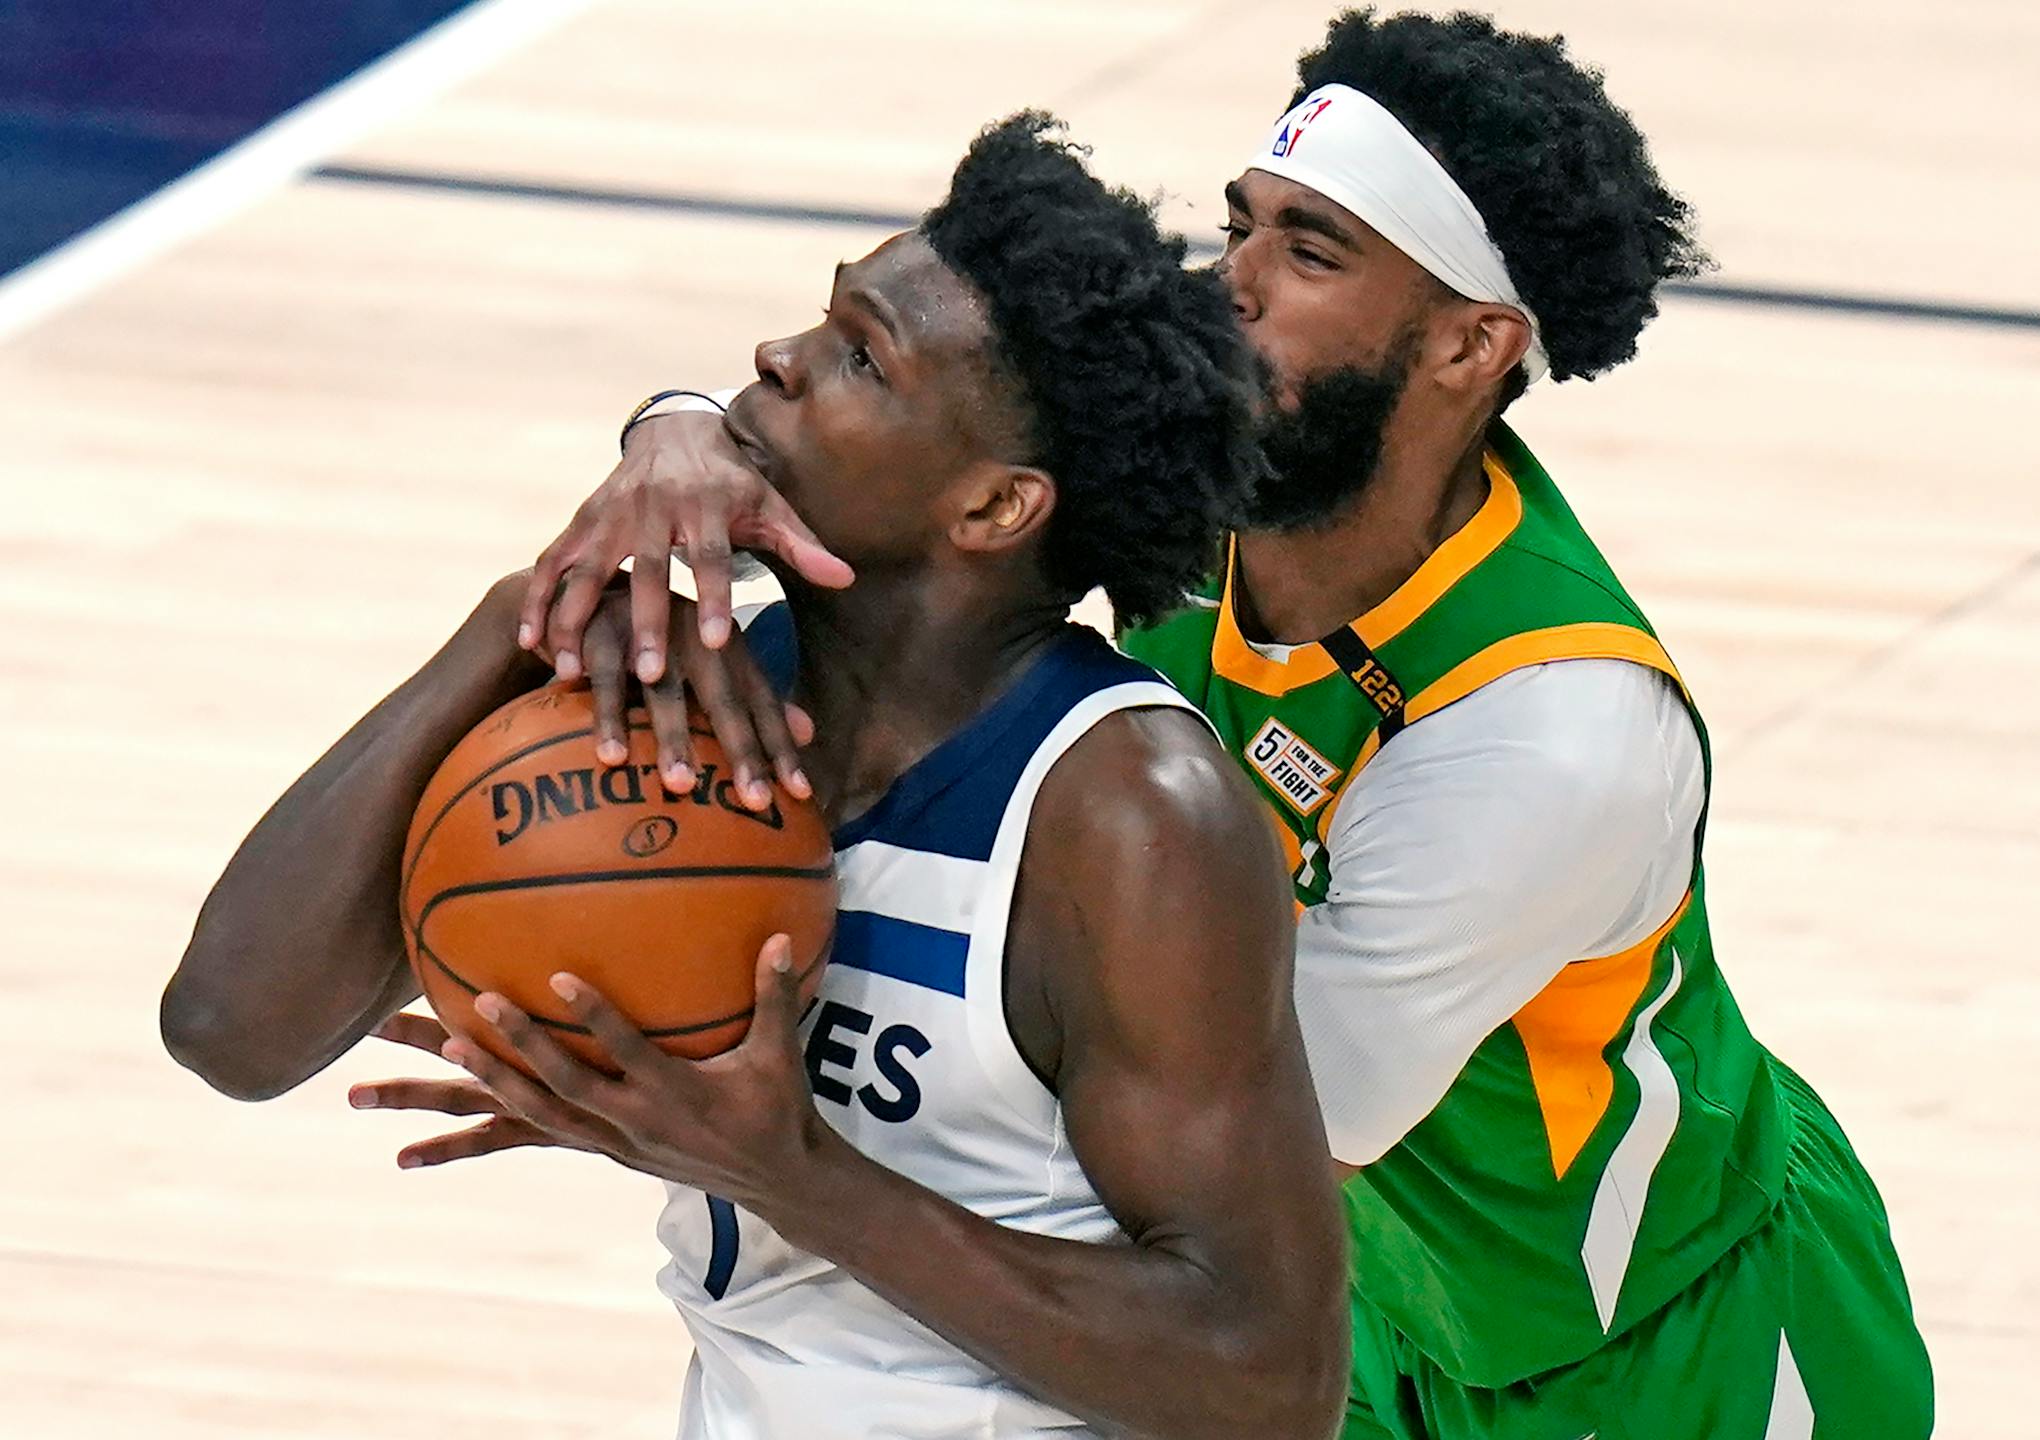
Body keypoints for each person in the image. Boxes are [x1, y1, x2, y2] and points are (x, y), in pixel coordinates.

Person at [526, 12, 1936, 1439]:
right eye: (1241, 226)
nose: (1231, 287)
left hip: (1651, 1356)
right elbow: (920, 449)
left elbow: (1287, 1103)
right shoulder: (1217, 486)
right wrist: (683, 429)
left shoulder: (1551, 731)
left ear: (1467, 343)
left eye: (1310, 253)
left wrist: (785, 1091)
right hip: (1365, 1320)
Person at [160, 114, 1349, 1440]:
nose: (778, 358)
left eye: (858, 357)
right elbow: (230, 1030)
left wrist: (790, 1173)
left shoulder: (1126, 817)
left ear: (992, 509)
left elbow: (1269, 1376)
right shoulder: (663, 691)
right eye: (819, 322)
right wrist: (514, 623)